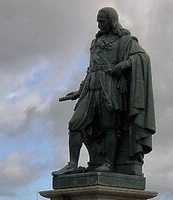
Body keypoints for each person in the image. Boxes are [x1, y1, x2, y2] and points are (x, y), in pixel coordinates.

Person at [53, 7, 155, 176]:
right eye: (98, 21)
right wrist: (79, 91)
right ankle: (72, 163)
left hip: (110, 86)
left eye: (102, 21)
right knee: (75, 124)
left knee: (110, 127)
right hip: (91, 86)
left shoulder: (125, 40)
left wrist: (124, 64)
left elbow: (141, 57)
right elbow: (90, 68)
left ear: (112, 21)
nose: (99, 25)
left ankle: (109, 163)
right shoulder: (95, 43)